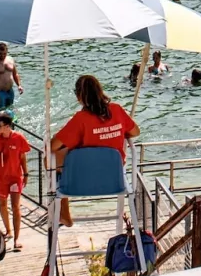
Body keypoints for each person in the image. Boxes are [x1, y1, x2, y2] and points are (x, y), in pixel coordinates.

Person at [50, 75, 139, 227]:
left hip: (81, 181)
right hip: (114, 179)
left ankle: (64, 211)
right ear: (100, 91)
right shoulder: (116, 110)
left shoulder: (80, 119)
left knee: (52, 156)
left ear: (79, 97)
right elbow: (136, 132)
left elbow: (53, 145)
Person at [0, 112, 32, 250]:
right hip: (0, 178)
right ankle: (8, 231)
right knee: (3, 204)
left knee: (16, 207)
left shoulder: (19, 138)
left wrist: (26, 174)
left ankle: (16, 239)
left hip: (15, 177)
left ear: (8, 126)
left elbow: (22, 157)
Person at [0, 42, 21, 110]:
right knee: (0, 112)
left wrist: (19, 85)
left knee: (10, 110)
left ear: (7, 51)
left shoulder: (10, 59)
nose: (2, 56)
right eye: (0, 54)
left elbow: (15, 74)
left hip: (10, 91)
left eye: (4, 54)